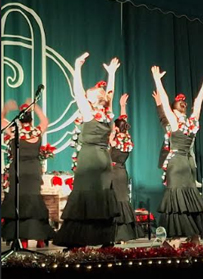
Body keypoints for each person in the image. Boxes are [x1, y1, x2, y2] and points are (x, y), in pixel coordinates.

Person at [53, 53, 120, 249]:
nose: (86, 96)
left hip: (90, 158)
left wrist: (77, 66)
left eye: (89, 94)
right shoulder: (107, 114)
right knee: (101, 195)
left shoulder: (89, 112)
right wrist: (112, 74)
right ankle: (105, 240)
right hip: (103, 159)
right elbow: (110, 93)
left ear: (92, 99)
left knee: (84, 195)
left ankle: (77, 240)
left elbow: (77, 91)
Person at [151, 66, 203, 242]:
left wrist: (157, 79)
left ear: (174, 112)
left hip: (175, 163)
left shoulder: (175, 123)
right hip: (186, 164)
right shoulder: (192, 123)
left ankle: (176, 237)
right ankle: (194, 236)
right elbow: (199, 102)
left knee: (176, 199)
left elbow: (164, 102)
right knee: (189, 197)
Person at [1, 99, 54, 248]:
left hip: (18, 171)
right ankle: (40, 239)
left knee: (19, 202)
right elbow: (45, 120)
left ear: (20, 119)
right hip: (33, 171)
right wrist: (35, 106)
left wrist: (6, 109)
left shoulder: (13, 131)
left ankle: (22, 238)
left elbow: (1, 120)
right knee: (34, 202)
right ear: (31, 119)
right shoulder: (37, 131)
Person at [109, 93, 143, 243]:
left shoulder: (114, 140)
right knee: (123, 200)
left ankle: (117, 235)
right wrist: (123, 106)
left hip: (113, 173)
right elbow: (123, 124)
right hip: (122, 172)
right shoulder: (127, 138)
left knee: (116, 201)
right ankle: (125, 236)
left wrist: (112, 131)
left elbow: (113, 132)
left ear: (116, 129)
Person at [152, 91, 202, 188]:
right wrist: (159, 104)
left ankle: (193, 178)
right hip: (174, 156)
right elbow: (162, 116)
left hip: (185, 152)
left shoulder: (186, 123)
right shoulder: (170, 123)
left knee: (190, 153)